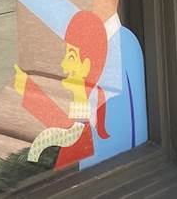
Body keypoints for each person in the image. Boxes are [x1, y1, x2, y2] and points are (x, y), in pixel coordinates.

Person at [1, 0, 148, 167]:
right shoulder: (95, 33)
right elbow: (62, 15)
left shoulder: (122, 47)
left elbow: (100, 137)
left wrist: (31, 96)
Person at [18, 10, 110, 170]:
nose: (63, 64)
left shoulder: (89, 125)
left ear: (86, 66)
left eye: (71, 57)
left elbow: (72, 136)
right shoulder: (89, 111)